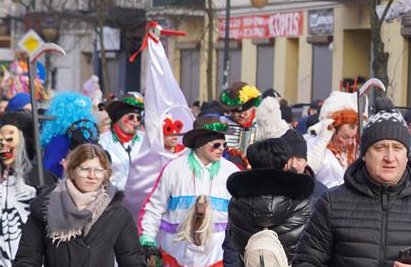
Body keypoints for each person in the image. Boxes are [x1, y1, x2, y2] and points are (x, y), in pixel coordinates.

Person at [293, 97, 411, 267]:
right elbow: (306, 262)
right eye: (380, 148)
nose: (390, 157)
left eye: (398, 148)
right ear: (364, 154)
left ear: (407, 155)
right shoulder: (332, 204)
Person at [14, 144, 145, 267]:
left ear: (105, 174)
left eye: (99, 170)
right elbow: (27, 259)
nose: (92, 176)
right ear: (72, 171)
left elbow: (133, 260)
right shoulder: (45, 209)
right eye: (85, 169)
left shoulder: (117, 213)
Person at [138, 116, 239, 267]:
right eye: (216, 145)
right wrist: (147, 239)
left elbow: (240, 215)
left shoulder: (232, 172)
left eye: (224, 145)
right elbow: (154, 207)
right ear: (200, 144)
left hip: (217, 256)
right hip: (175, 255)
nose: (221, 149)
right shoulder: (174, 168)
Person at [0, 116, 55, 267]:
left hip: (31, 256)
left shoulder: (40, 177)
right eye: (0, 141)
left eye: (10, 140)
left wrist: (47, 201)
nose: (4, 146)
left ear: (22, 142)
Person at [226, 138, 313, 266]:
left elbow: (232, 240)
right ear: (286, 165)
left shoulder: (237, 201)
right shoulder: (304, 201)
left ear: (251, 164)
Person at [307, 91, 360, 188]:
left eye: (353, 137)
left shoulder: (355, 148)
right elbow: (308, 170)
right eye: (345, 137)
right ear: (333, 130)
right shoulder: (314, 144)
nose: (350, 142)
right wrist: (322, 142)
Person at [99, 94, 145, 190]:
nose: (135, 121)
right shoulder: (102, 142)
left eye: (138, 118)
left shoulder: (145, 140)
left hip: (140, 195)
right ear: (119, 118)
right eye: (131, 117)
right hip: (113, 196)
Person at [218, 82, 261, 152]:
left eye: (243, 114)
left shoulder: (264, 123)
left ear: (252, 107)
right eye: (233, 114)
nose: (237, 117)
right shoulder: (223, 122)